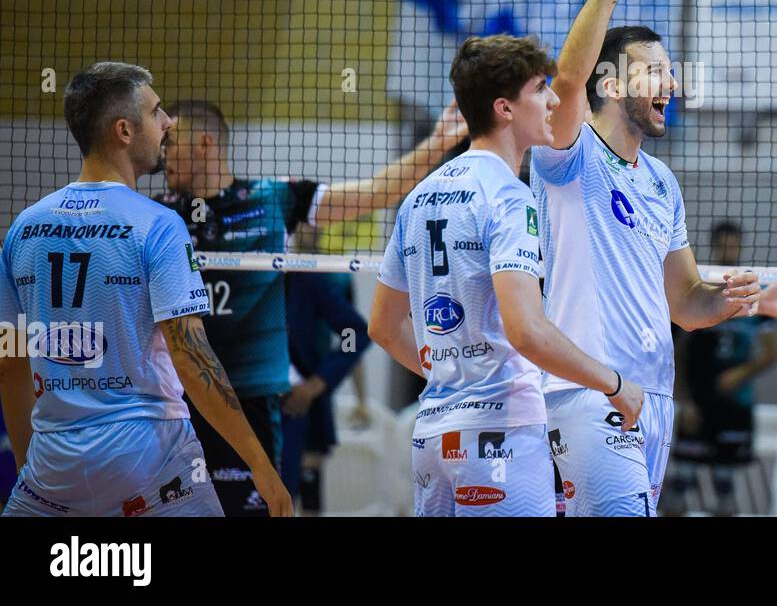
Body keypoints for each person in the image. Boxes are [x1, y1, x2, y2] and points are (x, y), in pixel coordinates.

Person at [532, 0, 777, 516]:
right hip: (590, 394)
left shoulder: (661, 182)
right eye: (654, 70)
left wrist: (736, 302)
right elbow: (567, 77)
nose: (672, 82)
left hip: (654, 399)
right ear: (611, 83)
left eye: (672, 70)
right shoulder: (567, 152)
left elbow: (685, 305)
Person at [367, 34, 645, 517]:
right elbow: (527, 330)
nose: (554, 99)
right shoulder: (509, 197)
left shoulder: (419, 197)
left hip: (433, 435)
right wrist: (614, 383)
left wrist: (454, 376)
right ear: (505, 108)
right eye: (540, 88)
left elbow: (382, 328)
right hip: (500, 435)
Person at [0, 62, 290, 516]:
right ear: (124, 131)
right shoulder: (158, 225)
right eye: (157, 113)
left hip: (54, 463)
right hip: (150, 454)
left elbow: (9, 362)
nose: (169, 123)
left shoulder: (23, 228)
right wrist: (260, 463)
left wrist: (28, 469)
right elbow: (193, 361)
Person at [156, 98, 467, 515]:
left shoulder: (272, 198)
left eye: (170, 142)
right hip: (177, 401)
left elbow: (374, 194)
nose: (162, 155)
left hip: (255, 403)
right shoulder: (157, 215)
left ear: (204, 143)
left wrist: (437, 143)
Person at [674, 221, 777, 515]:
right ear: (714, 246)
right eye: (722, 244)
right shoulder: (698, 288)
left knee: (725, 490)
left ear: (740, 246)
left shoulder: (754, 291)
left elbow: (771, 354)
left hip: (735, 406)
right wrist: (685, 402)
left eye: (733, 244)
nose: (728, 249)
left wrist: (740, 373)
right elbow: (678, 353)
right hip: (697, 404)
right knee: (680, 487)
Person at [280, 224, 371, 513]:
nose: (314, 228)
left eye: (318, 222)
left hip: (306, 397)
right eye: (304, 222)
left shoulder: (331, 276)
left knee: (306, 487)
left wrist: (322, 381)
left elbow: (351, 335)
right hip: (263, 394)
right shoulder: (261, 274)